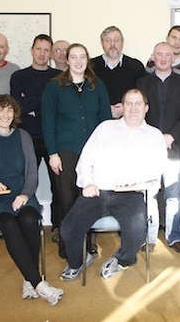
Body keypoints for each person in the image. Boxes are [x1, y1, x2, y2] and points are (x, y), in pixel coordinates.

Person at [59, 89, 167, 282]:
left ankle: (122, 260)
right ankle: (78, 261)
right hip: (97, 191)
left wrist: (134, 179)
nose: (133, 108)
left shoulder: (155, 135)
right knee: (68, 228)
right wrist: (88, 182)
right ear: (122, 107)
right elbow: (85, 160)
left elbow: (156, 169)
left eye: (138, 104)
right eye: (129, 104)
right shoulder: (105, 128)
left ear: (146, 108)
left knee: (137, 231)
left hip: (130, 194)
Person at [0, 95, 63, 305]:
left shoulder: (23, 136)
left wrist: (25, 194)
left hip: (22, 195)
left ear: (15, 114)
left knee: (30, 219)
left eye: (9, 110)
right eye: (0, 110)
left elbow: (32, 172)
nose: (5, 115)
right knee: (10, 224)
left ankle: (30, 282)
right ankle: (38, 283)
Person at [42, 43, 112, 257]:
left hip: (93, 152)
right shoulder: (54, 87)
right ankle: (67, 247)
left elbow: (106, 120)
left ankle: (88, 243)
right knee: (67, 200)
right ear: (67, 59)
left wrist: (105, 152)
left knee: (89, 199)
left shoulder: (97, 85)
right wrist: (52, 154)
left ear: (87, 60)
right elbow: (47, 121)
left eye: (83, 57)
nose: (78, 61)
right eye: (74, 57)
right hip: (66, 151)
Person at [137, 42, 180, 253]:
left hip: (175, 147)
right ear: (153, 56)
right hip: (148, 148)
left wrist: (171, 135)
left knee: (173, 196)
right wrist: (154, 137)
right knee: (149, 195)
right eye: (159, 54)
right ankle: (149, 237)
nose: (163, 58)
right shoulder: (142, 83)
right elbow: (136, 114)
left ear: (174, 57)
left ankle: (174, 236)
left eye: (167, 55)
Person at [10, 34, 62, 242]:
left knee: (58, 185)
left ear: (51, 54)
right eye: (38, 49)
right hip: (27, 137)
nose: (42, 53)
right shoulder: (19, 76)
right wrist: (43, 105)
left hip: (53, 139)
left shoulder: (59, 76)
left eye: (46, 50)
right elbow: (17, 107)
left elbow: (59, 107)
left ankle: (59, 226)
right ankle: (22, 223)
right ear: (32, 50)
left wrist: (32, 105)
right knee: (24, 182)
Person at [90, 26, 146, 119]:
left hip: (129, 120)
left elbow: (142, 95)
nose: (112, 44)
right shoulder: (91, 66)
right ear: (102, 43)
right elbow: (87, 97)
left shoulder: (136, 66)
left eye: (116, 40)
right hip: (99, 121)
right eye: (107, 40)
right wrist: (105, 109)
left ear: (122, 42)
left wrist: (125, 108)